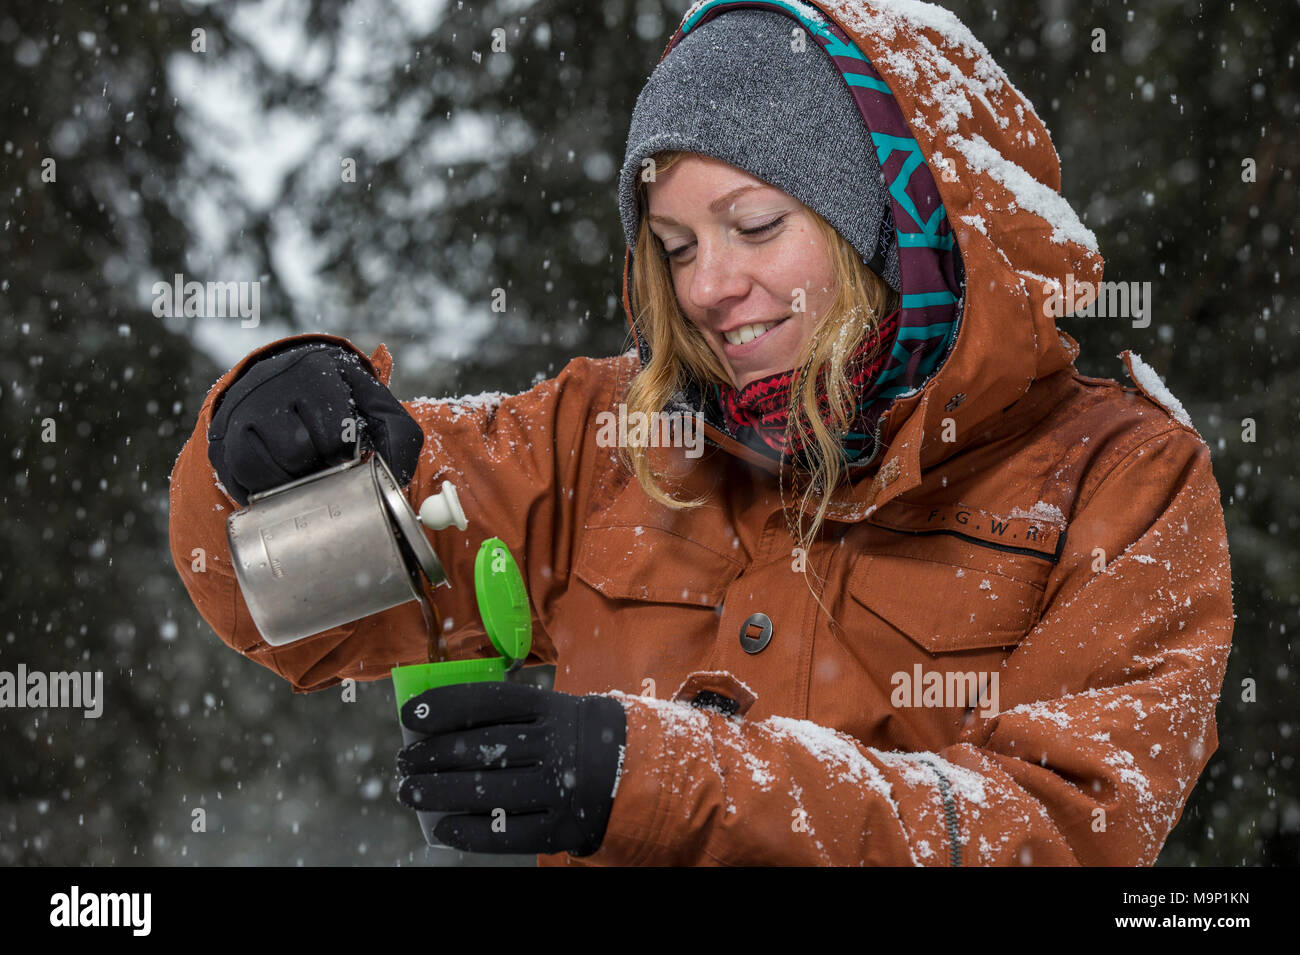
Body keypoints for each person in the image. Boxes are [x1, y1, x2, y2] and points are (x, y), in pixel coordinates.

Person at [169, 0, 1234, 866]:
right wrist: (269, 438)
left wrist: (654, 780)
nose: (711, 286)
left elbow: (1056, 830)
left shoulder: (1120, 478)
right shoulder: (613, 436)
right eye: (673, 246)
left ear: (896, 219)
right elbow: (299, 604)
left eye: (756, 223)